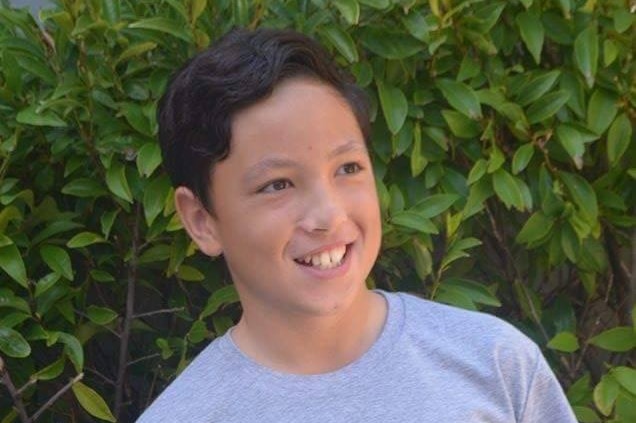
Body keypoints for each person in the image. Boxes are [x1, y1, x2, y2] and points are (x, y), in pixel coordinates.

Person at [136, 28, 577, 423]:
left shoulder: (495, 363)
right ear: (201, 220)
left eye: (347, 168)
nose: (329, 215)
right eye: (277, 185)